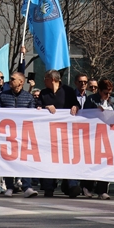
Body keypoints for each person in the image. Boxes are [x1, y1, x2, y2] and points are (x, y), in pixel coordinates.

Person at [36, 69, 79, 197]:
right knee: (49, 159)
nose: (44, 81)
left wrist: (76, 107)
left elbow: (76, 104)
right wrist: (45, 107)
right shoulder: (44, 93)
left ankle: (72, 186)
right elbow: (37, 107)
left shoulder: (68, 91)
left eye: (46, 79)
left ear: (53, 80)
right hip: (49, 134)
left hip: (66, 132)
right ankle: (49, 187)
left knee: (68, 158)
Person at [0, 72, 38, 198]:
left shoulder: (28, 97)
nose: (10, 81)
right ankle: (9, 186)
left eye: (13, 79)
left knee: (24, 160)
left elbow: (32, 115)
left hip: (23, 134)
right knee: (8, 160)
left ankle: (27, 187)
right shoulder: (3, 96)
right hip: (7, 134)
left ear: (21, 82)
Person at [85, 79, 114, 200]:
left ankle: (102, 190)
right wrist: (95, 111)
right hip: (94, 136)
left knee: (106, 164)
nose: (108, 95)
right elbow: (85, 115)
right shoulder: (91, 100)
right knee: (92, 162)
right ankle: (87, 187)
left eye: (109, 93)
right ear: (99, 90)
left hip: (108, 137)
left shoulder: (112, 101)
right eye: (105, 93)